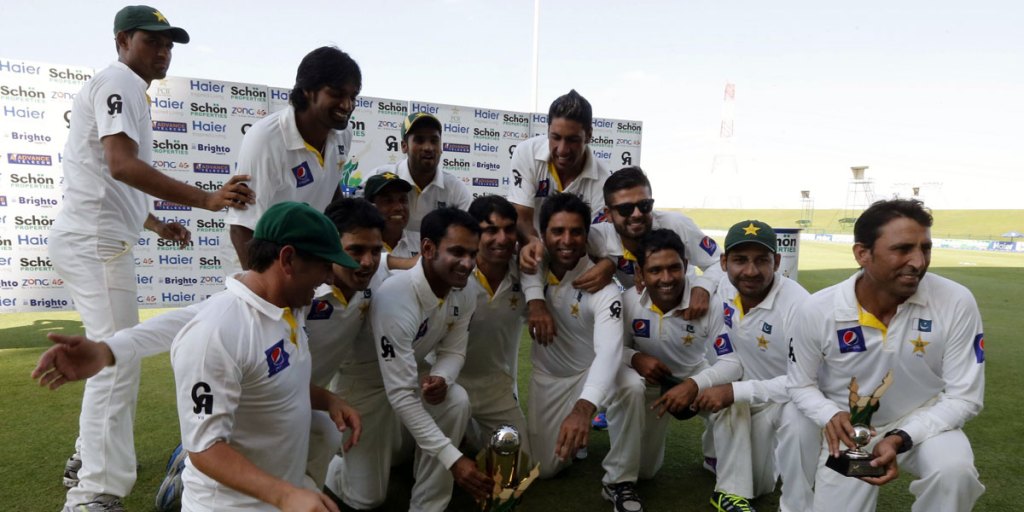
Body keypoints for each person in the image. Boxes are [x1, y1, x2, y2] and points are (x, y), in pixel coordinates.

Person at [49, 6, 254, 511]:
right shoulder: (117, 80)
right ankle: (92, 493)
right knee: (116, 362)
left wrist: (158, 223)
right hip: (95, 243)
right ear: (122, 41)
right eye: (152, 41)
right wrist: (206, 199)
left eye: (169, 44)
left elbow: (108, 177)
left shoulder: (127, 89)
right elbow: (121, 165)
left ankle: (88, 458)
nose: (163, 50)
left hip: (100, 241)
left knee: (114, 356)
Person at [788, 199, 986, 512]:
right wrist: (829, 414)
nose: (918, 262)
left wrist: (900, 438)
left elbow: (965, 398)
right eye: (903, 249)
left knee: (954, 472)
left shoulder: (956, 301)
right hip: (854, 435)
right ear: (862, 254)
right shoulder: (818, 310)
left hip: (925, 421)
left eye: (925, 248)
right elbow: (800, 385)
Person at [656, 220, 817, 512]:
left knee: (772, 463)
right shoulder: (723, 289)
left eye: (762, 261)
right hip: (745, 394)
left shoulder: (798, 306)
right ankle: (724, 477)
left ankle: (791, 495)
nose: (751, 271)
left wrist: (734, 391)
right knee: (753, 482)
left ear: (777, 262)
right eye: (740, 260)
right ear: (724, 262)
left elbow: (804, 382)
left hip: (786, 399)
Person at [527, 193, 647, 512]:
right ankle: (575, 441)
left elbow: (609, 352)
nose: (567, 241)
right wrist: (534, 299)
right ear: (543, 235)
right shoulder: (528, 269)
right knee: (547, 469)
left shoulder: (603, 286)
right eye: (557, 231)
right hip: (550, 377)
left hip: (594, 373)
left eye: (576, 232)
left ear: (587, 235)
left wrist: (583, 409)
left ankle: (619, 480)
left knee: (632, 385)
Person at [373, 207, 493, 511]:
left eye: (472, 253)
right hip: (367, 384)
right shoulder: (396, 296)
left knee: (455, 398)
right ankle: (340, 463)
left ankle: (428, 505)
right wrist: (454, 459)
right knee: (366, 495)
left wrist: (442, 377)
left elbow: (453, 350)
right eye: (456, 252)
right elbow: (399, 394)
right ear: (427, 248)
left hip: (408, 372)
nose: (467, 263)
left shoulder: (464, 291)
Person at [227, 46, 361, 269]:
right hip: (255, 258)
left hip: (305, 256)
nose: (347, 105)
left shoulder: (342, 133)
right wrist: (262, 292)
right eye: (337, 94)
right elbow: (241, 228)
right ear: (308, 90)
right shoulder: (266, 139)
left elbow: (329, 184)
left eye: (353, 96)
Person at [618, 229, 716, 482]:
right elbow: (611, 349)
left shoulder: (706, 300)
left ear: (685, 265)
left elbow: (732, 359)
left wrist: (695, 384)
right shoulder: (628, 302)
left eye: (674, 268)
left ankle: (717, 455)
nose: (666, 278)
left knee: (734, 400)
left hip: (696, 374)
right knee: (644, 473)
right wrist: (635, 358)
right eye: (655, 270)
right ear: (639, 273)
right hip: (652, 383)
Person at [588, 166, 725, 317]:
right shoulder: (597, 236)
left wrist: (703, 286)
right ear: (608, 214)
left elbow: (719, 262)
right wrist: (608, 262)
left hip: (687, 311)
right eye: (625, 209)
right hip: (642, 316)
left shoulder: (676, 223)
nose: (637, 214)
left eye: (644, 205)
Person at [507, 90, 609, 275]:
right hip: (531, 258)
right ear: (547, 131)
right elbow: (521, 213)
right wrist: (531, 241)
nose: (562, 150)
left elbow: (592, 239)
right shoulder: (526, 152)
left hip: (572, 267)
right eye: (555, 137)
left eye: (572, 140)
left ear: (589, 135)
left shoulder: (603, 179)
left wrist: (608, 264)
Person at [458, 195, 530, 453]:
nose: (502, 239)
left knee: (521, 460)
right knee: (424, 457)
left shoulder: (526, 275)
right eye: (491, 230)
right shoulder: (456, 273)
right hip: (450, 385)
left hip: (495, 386)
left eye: (509, 229)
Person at [367, 112, 472, 232]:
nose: (428, 147)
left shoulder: (456, 191)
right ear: (404, 146)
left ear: (441, 147)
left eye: (434, 141)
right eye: (419, 140)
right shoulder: (378, 178)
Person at [363, 172, 418, 257]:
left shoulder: (421, 243)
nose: (398, 208)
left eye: (403, 200)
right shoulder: (359, 246)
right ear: (370, 207)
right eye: (388, 201)